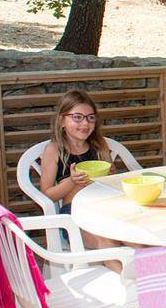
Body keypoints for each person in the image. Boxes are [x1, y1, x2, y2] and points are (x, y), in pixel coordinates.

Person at [39, 90, 126, 257]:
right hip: (75, 215)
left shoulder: (100, 145)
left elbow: (111, 183)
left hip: (105, 207)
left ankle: (147, 272)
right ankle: (125, 273)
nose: (85, 123)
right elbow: (47, 195)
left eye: (90, 117)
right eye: (77, 117)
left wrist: (111, 175)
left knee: (133, 237)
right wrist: (72, 181)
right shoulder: (54, 150)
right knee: (108, 243)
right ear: (62, 121)